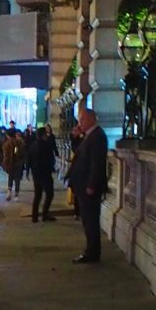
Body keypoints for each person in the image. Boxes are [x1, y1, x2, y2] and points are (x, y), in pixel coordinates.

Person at [66, 108, 107, 264]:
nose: (79, 123)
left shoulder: (97, 136)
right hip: (82, 185)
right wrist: (75, 137)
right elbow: (78, 152)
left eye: (82, 119)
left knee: (90, 221)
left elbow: (97, 163)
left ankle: (92, 253)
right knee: (87, 220)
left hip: (88, 187)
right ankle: (91, 250)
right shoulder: (89, 135)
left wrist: (91, 184)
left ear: (91, 119)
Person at [27, 122, 57, 222]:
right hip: (45, 173)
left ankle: (34, 216)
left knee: (38, 194)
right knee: (49, 193)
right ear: (44, 135)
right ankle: (45, 214)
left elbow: (29, 160)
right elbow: (50, 159)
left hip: (36, 173)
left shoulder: (33, 146)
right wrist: (52, 168)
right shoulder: (46, 145)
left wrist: (29, 171)